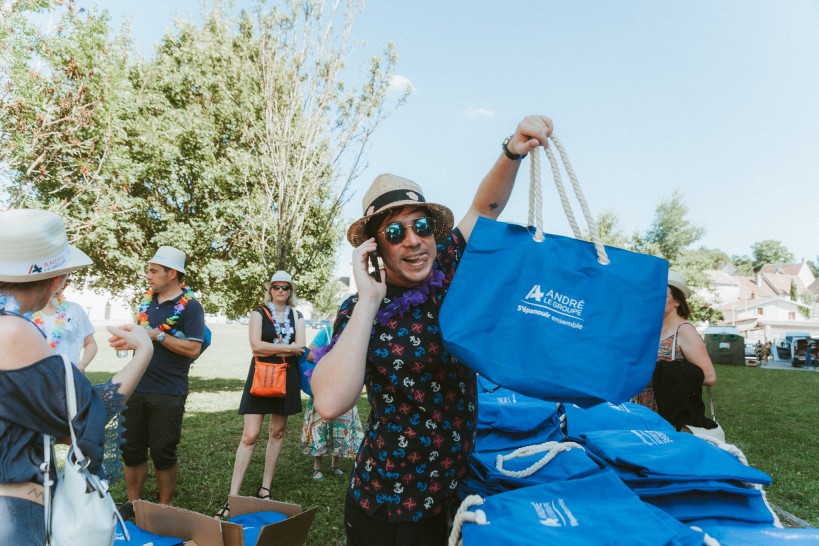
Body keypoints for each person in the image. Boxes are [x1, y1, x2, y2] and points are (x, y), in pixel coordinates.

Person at [310, 115, 554, 545]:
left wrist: (512, 150)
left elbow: (485, 208)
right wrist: (368, 298)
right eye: (394, 232)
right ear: (376, 248)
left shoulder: (449, 268)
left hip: (452, 488)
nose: (412, 240)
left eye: (421, 226)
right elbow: (329, 402)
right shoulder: (359, 309)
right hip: (391, 506)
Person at [0, 208, 154, 544]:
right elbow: (86, 414)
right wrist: (144, 351)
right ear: (55, 280)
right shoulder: (12, 331)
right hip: (11, 514)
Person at [116, 245, 206, 513]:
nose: (148, 276)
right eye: (149, 271)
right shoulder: (146, 304)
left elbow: (193, 349)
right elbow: (144, 341)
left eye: (154, 271)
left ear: (172, 274)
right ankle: (134, 504)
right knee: (131, 450)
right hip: (136, 386)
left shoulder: (191, 308)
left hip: (168, 391)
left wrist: (160, 336)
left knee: (163, 451)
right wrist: (128, 341)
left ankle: (165, 507)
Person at [216, 271, 306, 519]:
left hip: (287, 375)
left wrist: (283, 349)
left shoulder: (297, 316)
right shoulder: (258, 313)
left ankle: (265, 488)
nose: (280, 291)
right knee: (250, 435)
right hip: (261, 375)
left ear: (290, 291)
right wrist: (288, 348)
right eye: (276, 287)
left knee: (277, 432)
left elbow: (301, 349)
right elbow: (256, 346)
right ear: (270, 289)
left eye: (285, 287)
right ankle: (233, 496)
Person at [633, 271, 718, 432]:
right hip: (642, 411)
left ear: (677, 301)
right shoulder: (652, 328)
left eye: (662, 296)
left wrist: (662, 373)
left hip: (670, 417)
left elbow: (709, 377)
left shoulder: (684, 330)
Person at [300, 324, 364, 481]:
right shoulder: (327, 332)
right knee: (319, 424)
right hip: (324, 385)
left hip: (346, 386)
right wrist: (331, 355)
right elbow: (308, 354)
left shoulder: (357, 332)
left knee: (342, 425)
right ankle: (317, 467)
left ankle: (336, 463)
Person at [31, 276, 97, 371]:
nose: (56, 289)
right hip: (37, 378)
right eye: (51, 284)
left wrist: (82, 365)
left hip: (69, 376)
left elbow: (90, 343)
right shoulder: (28, 311)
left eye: (61, 284)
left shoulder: (74, 310)